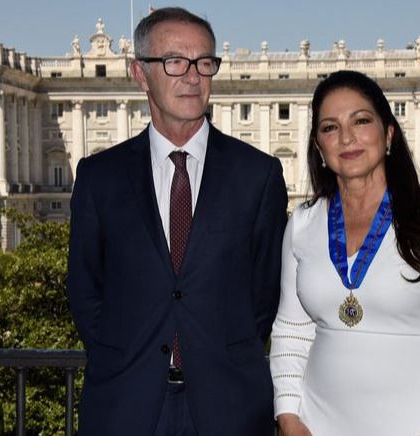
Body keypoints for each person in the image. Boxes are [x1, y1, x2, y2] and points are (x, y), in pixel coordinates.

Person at [67, 7, 288, 435]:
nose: (192, 76)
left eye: (204, 62)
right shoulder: (99, 177)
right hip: (125, 406)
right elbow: (85, 291)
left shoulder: (258, 175)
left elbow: (264, 295)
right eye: (174, 61)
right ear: (139, 72)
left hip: (229, 407)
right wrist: (129, 356)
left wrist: (219, 354)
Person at [270, 71, 420, 436]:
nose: (346, 137)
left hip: (419, 424)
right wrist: (289, 416)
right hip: (319, 424)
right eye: (330, 128)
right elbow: (291, 330)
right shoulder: (302, 223)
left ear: (389, 134)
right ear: (318, 147)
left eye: (361, 121)